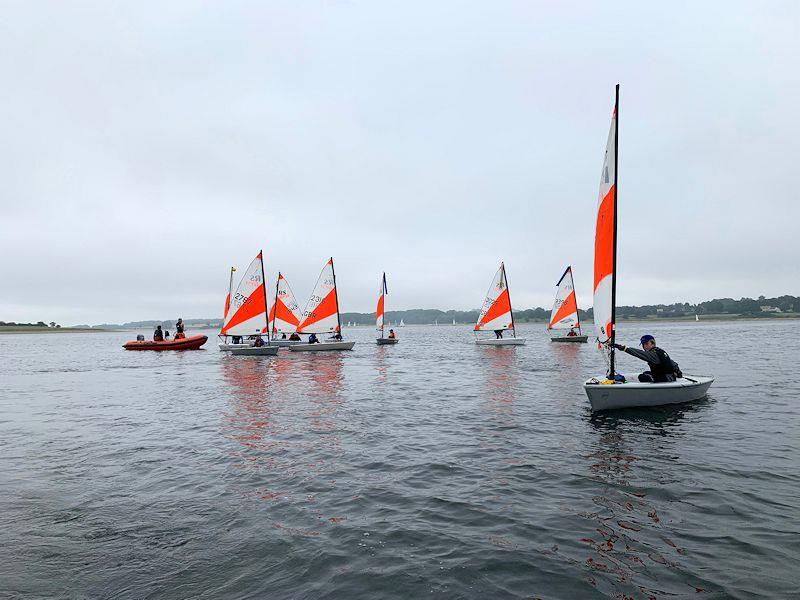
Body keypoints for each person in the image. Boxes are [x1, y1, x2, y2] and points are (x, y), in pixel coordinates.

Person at [613, 335, 682, 383]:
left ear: (652, 343)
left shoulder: (653, 354)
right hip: (670, 377)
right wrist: (678, 373)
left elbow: (639, 353)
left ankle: (622, 379)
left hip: (666, 379)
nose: (644, 346)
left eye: (646, 344)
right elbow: (673, 364)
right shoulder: (660, 351)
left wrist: (623, 348)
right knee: (646, 373)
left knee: (642, 377)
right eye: (643, 344)